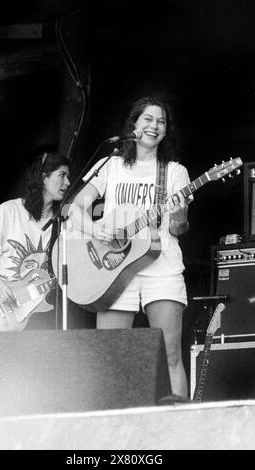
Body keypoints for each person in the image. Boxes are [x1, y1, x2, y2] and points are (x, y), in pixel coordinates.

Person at [70, 95, 191, 398]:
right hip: (114, 268)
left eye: (161, 121)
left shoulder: (175, 172)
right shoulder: (109, 165)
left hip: (161, 265)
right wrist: (97, 228)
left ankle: (182, 431)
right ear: (134, 124)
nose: (154, 126)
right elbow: (73, 209)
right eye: (148, 119)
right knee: (110, 355)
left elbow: (179, 228)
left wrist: (178, 213)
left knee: (170, 355)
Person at [0, 150, 70, 332]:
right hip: (3, 305)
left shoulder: (63, 223)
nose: (68, 183)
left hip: (40, 317)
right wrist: (0, 287)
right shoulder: (9, 210)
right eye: (62, 175)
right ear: (43, 178)